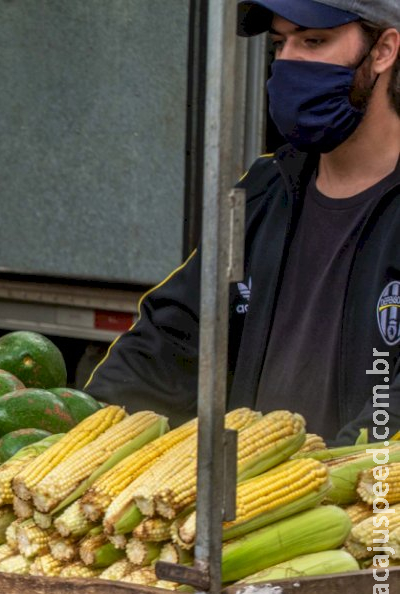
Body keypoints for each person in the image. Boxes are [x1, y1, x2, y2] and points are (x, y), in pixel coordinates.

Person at [85, 0, 400, 446]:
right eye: (279, 43)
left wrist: (331, 487)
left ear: (384, 50)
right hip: (247, 506)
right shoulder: (262, 191)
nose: (288, 61)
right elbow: (174, 338)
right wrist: (83, 435)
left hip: (364, 507)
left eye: (313, 40)